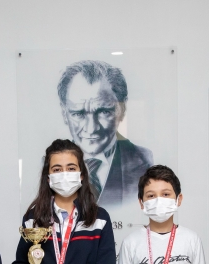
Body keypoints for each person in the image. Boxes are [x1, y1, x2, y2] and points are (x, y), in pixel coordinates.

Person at [57, 60, 153, 205]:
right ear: (64, 113)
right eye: (78, 114)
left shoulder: (146, 162)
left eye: (103, 112)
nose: (91, 128)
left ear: (121, 109)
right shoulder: (47, 165)